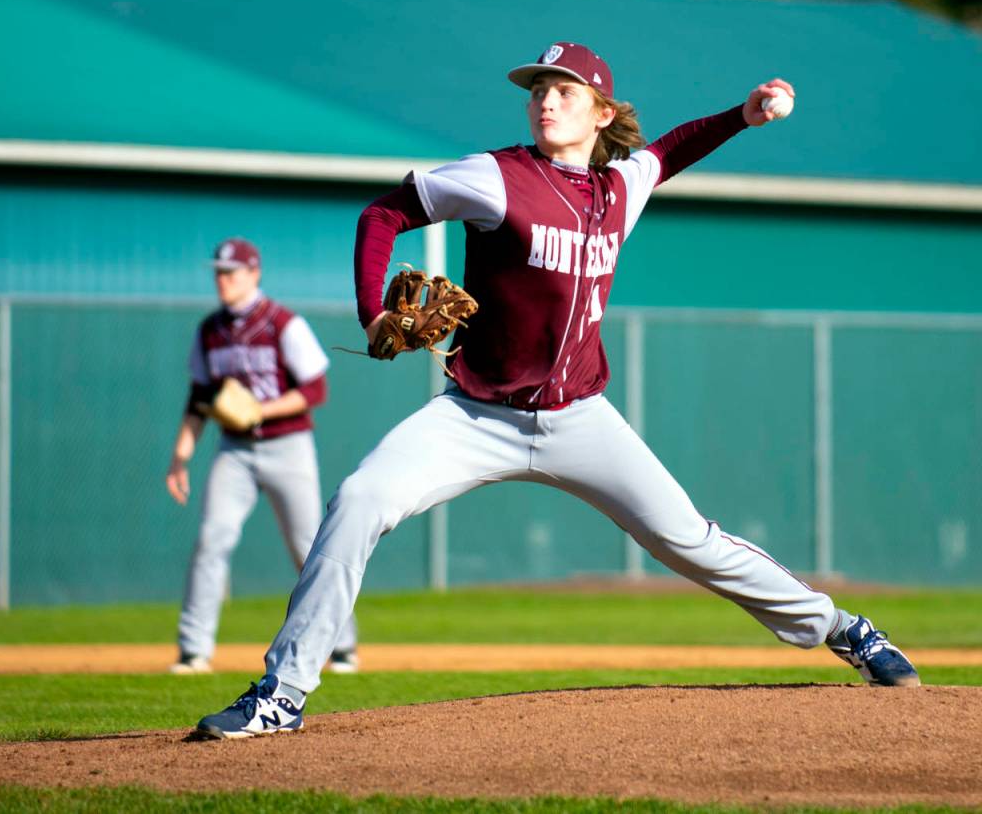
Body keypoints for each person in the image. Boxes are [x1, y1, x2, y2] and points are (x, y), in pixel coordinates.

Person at [196, 44, 918, 738]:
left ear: (601, 113)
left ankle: (843, 629)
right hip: (476, 415)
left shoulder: (619, 188)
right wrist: (373, 311)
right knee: (358, 500)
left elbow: (670, 150)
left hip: (580, 418)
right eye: (539, 89)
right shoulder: (494, 176)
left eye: (564, 90)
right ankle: (282, 694)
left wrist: (744, 115)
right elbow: (383, 213)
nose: (546, 101)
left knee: (690, 540)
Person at [165, 237, 358, 676]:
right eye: (218, 271)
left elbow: (315, 390)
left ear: (254, 273)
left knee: (311, 547)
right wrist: (181, 456)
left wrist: (260, 409)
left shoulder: (282, 323)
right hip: (234, 449)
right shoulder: (210, 331)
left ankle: (342, 644)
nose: (222, 279)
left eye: (230, 272)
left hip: (287, 445)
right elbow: (199, 398)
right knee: (212, 540)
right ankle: (193, 650)